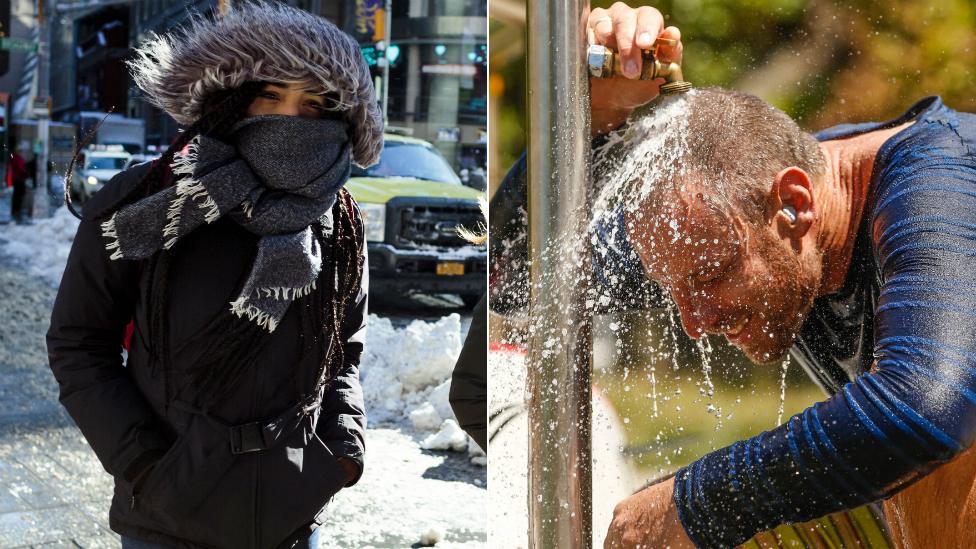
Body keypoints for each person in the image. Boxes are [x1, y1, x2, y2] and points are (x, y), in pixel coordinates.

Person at [46, 3, 381, 547]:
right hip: (166, 516)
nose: (290, 119)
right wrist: (145, 464)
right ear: (229, 101)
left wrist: (341, 452)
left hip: (290, 519)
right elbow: (78, 344)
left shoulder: (338, 222)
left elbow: (344, 347)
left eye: (314, 104)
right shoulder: (147, 203)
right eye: (270, 95)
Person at [9, 145, 29, 223]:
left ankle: (15, 210)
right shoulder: (17, 158)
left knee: (17, 195)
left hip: (17, 178)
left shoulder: (15, 158)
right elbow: (21, 169)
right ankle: (16, 210)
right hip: (19, 179)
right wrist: (25, 173)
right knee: (18, 195)